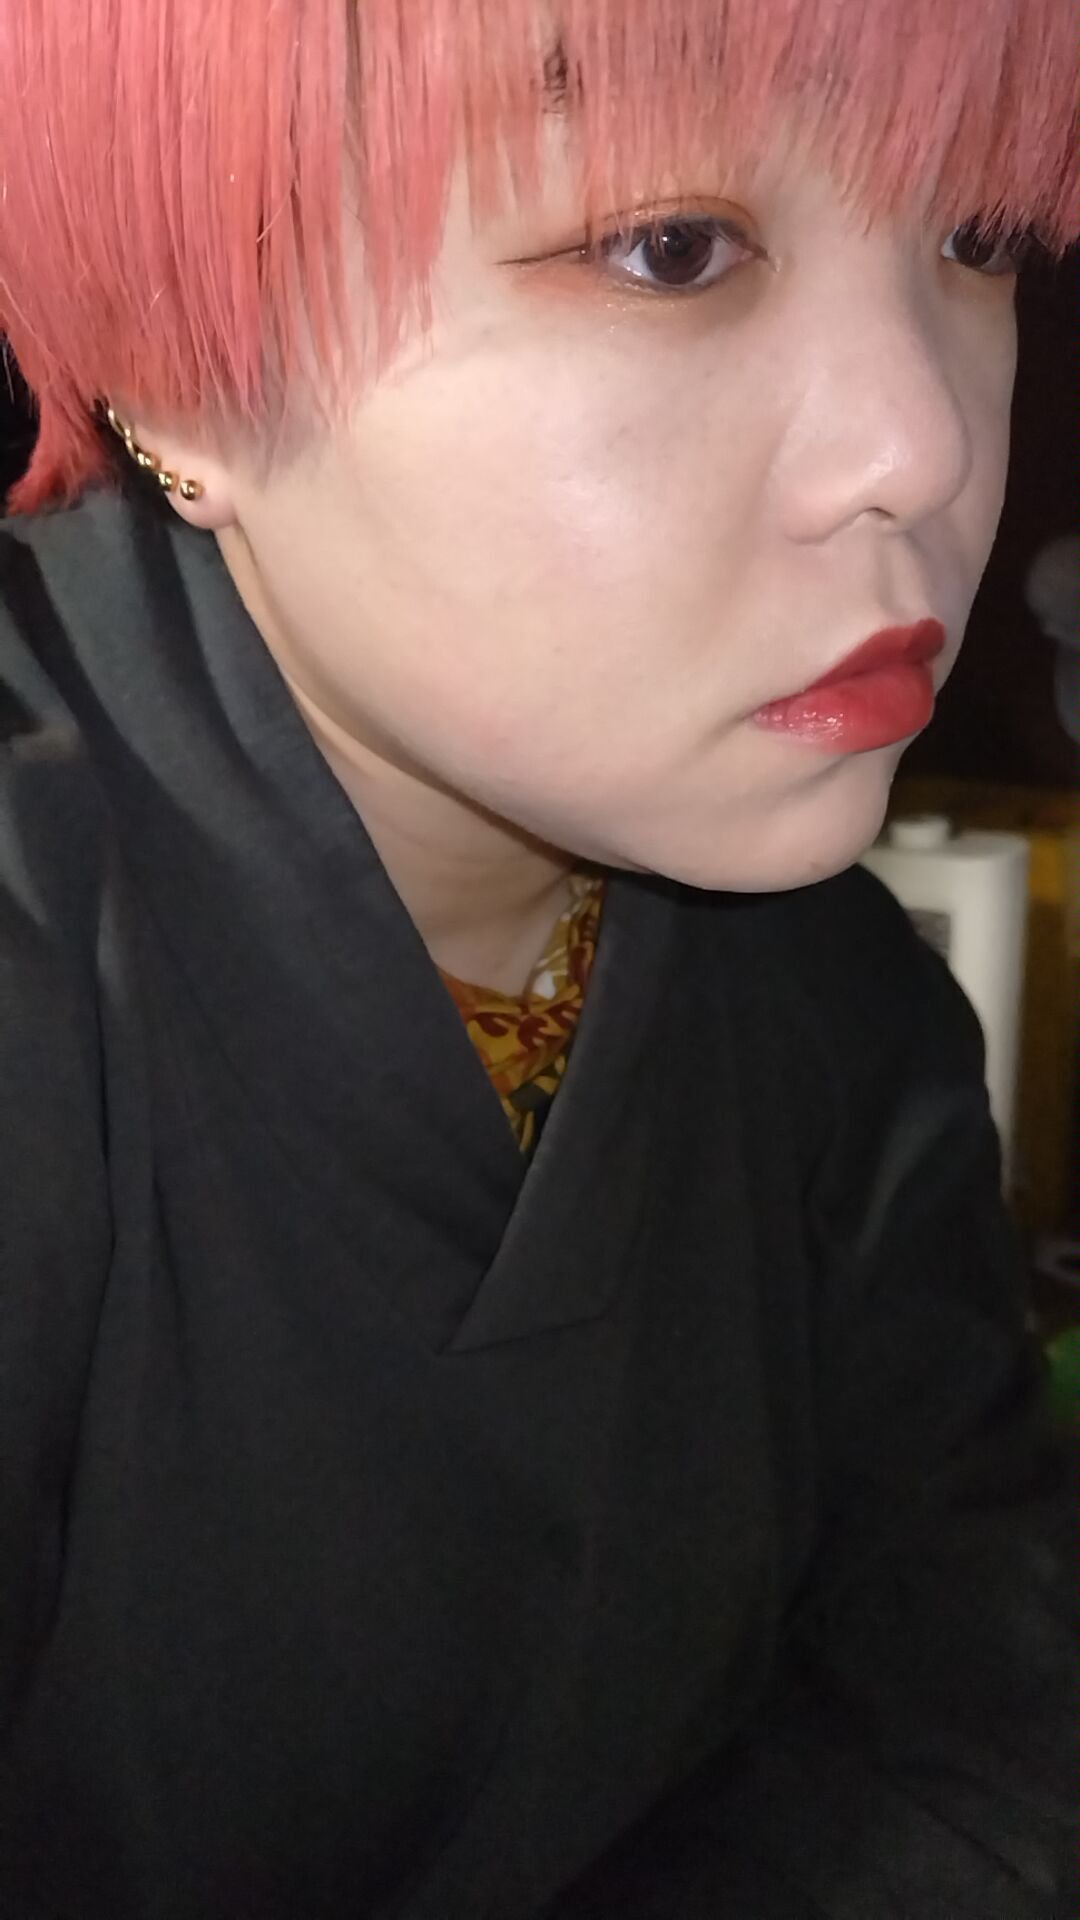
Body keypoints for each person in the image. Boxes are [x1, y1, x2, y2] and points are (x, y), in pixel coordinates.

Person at [0, 2, 1077, 1914]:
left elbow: (985, 1703)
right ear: (181, 384)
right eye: (672, 248)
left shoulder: (837, 1005)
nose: (920, 445)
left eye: (975, 237)